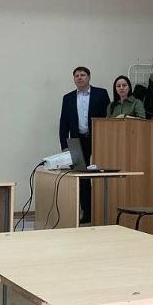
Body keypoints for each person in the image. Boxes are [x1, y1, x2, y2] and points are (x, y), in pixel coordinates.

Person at [59, 66, 110, 223]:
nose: (79, 78)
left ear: (89, 77)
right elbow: (63, 123)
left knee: (101, 173)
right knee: (81, 176)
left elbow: (108, 118)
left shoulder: (101, 94)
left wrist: (108, 140)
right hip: (77, 141)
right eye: (76, 76)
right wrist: (64, 145)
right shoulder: (68, 98)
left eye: (82, 75)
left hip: (98, 139)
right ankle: (87, 212)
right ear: (74, 79)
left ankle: (102, 211)